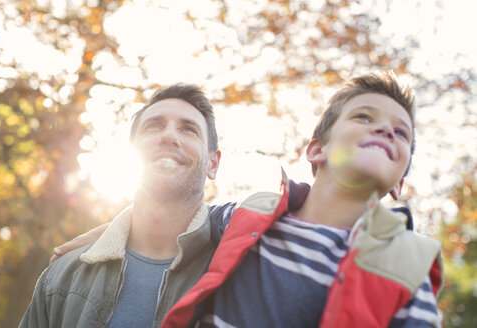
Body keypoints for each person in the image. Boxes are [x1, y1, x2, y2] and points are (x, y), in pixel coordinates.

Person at [50, 72, 444, 327]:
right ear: (316, 150)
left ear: (400, 182)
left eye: (402, 132)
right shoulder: (251, 216)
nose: (385, 130)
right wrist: (110, 233)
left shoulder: (406, 267)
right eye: (364, 117)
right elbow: (174, 218)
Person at [20, 83, 223, 328]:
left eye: (189, 129)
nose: (169, 136)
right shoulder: (61, 278)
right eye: (154, 126)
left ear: (213, 163)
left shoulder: (248, 271)